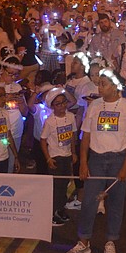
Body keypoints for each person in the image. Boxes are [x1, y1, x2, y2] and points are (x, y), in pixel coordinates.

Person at [64, 69, 126, 253]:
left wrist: (125, 167)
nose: (99, 87)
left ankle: (110, 242)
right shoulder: (94, 105)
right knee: (89, 201)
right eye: (99, 83)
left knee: (115, 203)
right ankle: (83, 242)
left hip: (118, 160)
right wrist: (83, 163)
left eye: (104, 84)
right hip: (96, 160)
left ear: (115, 86)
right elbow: (86, 135)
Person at [40, 87, 78, 227]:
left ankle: (60, 209)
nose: (62, 106)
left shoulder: (70, 117)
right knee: (56, 186)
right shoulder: (50, 121)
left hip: (67, 155)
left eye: (63, 102)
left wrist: (73, 152)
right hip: (56, 156)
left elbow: (73, 135)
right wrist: (48, 158)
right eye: (58, 104)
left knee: (64, 185)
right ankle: (52, 213)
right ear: (52, 106)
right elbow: (43, 140)